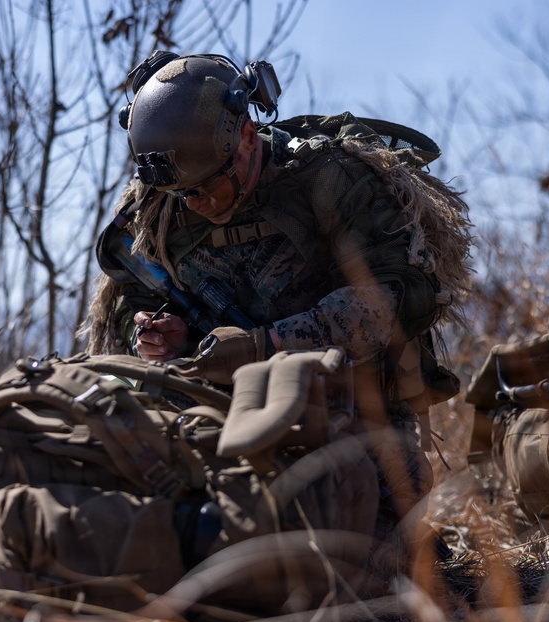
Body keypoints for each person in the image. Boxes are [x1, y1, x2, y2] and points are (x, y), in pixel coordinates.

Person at [86, 50, 474, 542]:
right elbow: (125, 309)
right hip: (217, 413)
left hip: (353, 414)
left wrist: (261, 347)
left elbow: (393, 303)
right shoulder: (161, 205)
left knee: (359, 529)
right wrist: (169, 337)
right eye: (186, 197)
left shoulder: (332, 181)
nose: (199, 207)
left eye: (211, 191)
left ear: (248, 138)